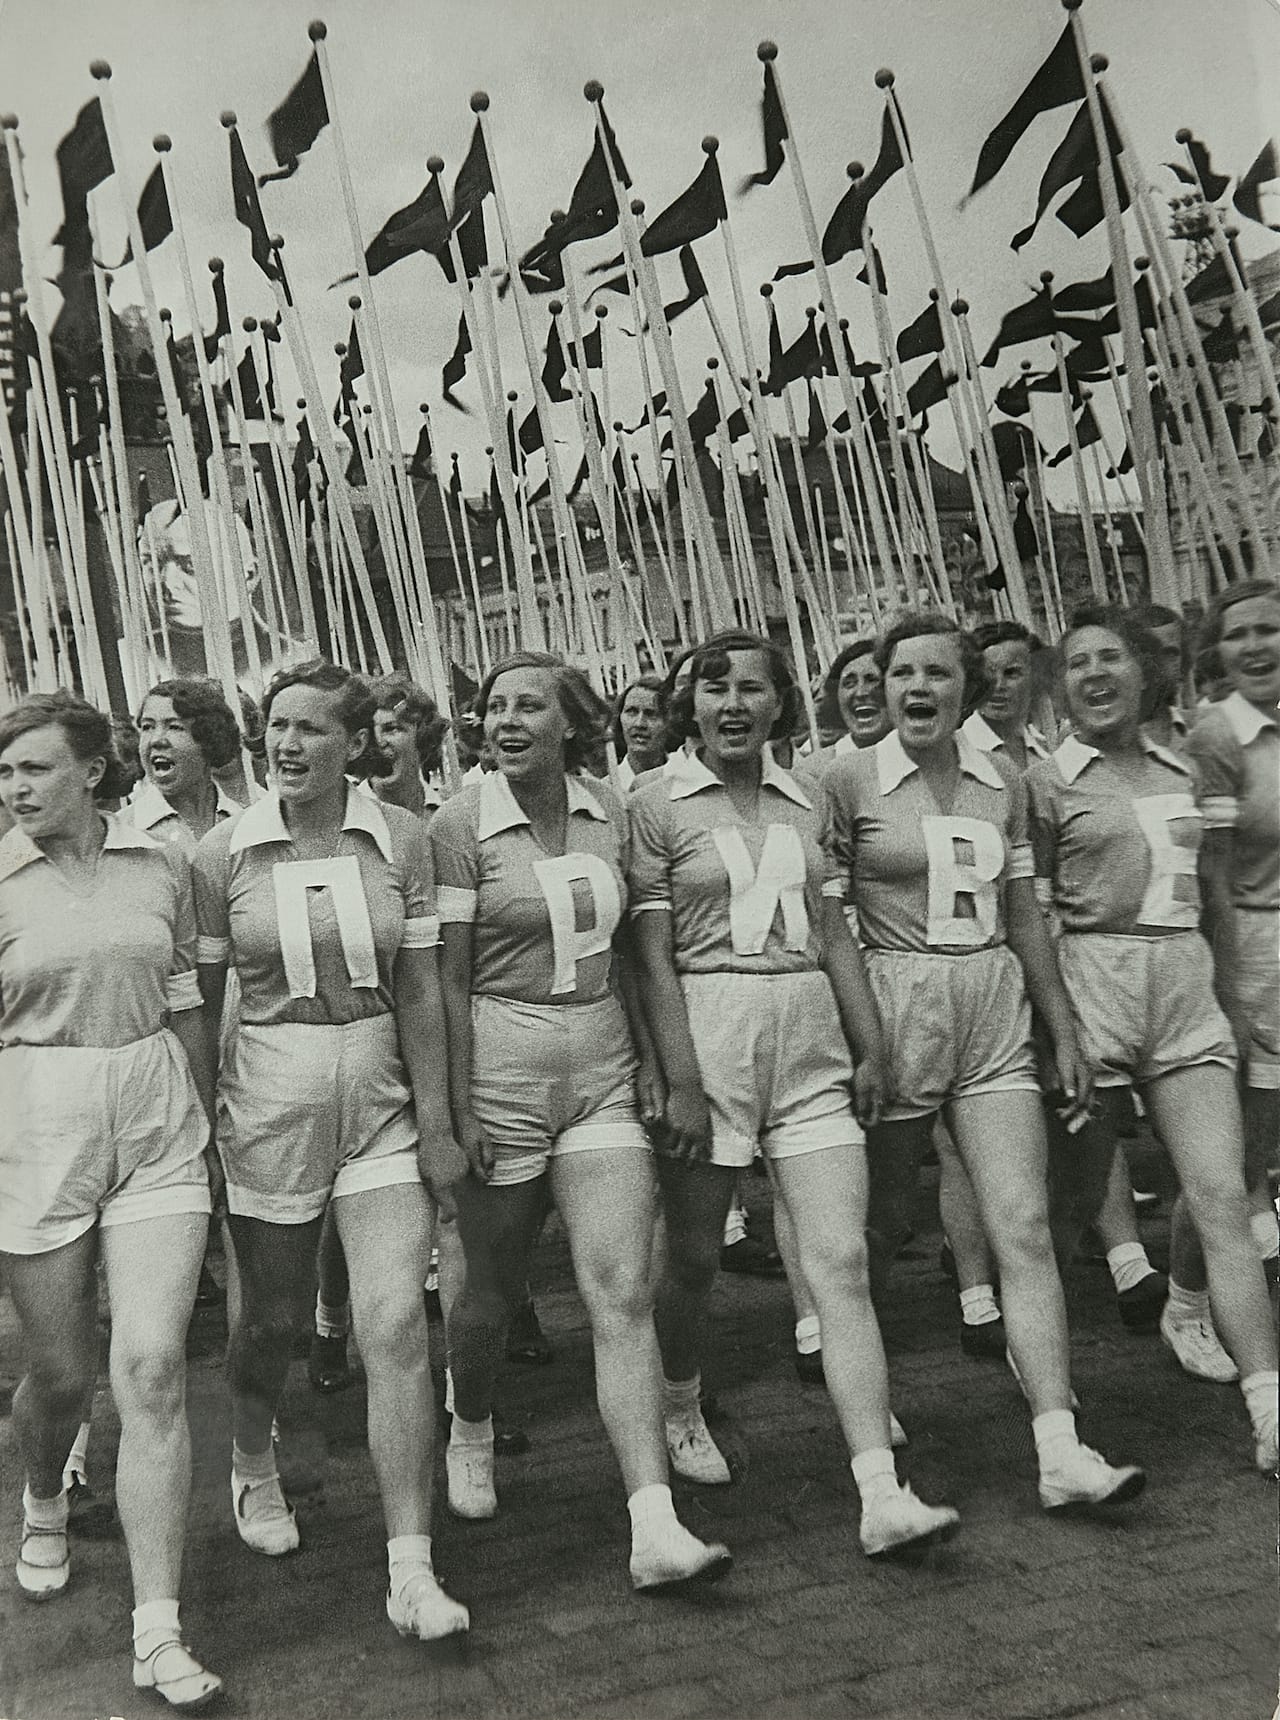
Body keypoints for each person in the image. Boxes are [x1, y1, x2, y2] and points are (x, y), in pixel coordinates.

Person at [628, 630, 959, 1556]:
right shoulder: (654, 804)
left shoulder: (808, 794)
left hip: (808, 1029)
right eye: (714, 689)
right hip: (710, 1025)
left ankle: (879, 1489)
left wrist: (868, 1043)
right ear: (689, 704)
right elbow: (649, 955)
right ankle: (679, 1402)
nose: (733, 705)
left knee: (839, 1261)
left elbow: (834, 927)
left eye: (754, 690)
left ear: (782, 703)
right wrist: (682, 1079)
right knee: (692, 1259)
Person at [826, 610, 1146, 1512]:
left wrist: (1066, 1030)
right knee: (876, 1230)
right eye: (901, 675)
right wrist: (866, 1041)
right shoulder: (847, 780)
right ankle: (867, 1395)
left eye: (937, 673)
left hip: (992, 1005)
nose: (918, 689)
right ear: (880, 688)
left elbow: (1025, 917)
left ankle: (1059, 1442)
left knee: (1025, 1224)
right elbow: (830, 927)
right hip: (897, 1004)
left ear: (968, 687)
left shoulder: (999, 778)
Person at [428, 650, 730, 1593]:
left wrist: (659, 1067)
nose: (505, 719)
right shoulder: (458, 824)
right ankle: (469, 1423)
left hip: (599, 1062)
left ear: (572, 722)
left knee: (619, 1288)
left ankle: (653, 1519)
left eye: (527, 705)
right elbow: (443, 979)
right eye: (492, 707)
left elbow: (638, 955)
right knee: (489, 1286)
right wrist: (457, 1102)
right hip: (502, 1062)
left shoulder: (614, 812)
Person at [191, 660, 469, 1643]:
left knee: (393, 1326)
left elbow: (427, 988)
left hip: (385, 1100)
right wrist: (201, 1127)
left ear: (356, 742)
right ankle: (253, 1460)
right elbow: (209, 1005)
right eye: (276, 726)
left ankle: (410, 1568)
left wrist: (437, 1122)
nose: (289, 744)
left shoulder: (403, 837)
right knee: (266, 1325)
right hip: (270, 1096)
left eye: (311, 728)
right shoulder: (224, 851)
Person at [0, 691, 221, 1709]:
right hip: (35, 1120)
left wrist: (203, 1114)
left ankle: (157, 1628)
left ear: (92, 771)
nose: (15, 788)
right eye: (5, 774)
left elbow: (186, 1001)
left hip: (154, 1119)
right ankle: (44, 1498)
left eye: (34, 768)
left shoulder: (160, 864)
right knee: (61, 1373)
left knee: (152, 1367)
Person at [1027, 606, 1277, 1474]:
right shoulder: (1045, 781)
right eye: (1077, 663)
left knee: (1221, 1198)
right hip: (1091, 984)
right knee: (1067, 1209)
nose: (1095, 675)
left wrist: (1232, 1006)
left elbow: (1215, 897)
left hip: (1182, 986)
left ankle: (1269, 1408)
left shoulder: (1185, 765)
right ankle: (1049, 1397)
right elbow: (1030, 914)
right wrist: (1057, 1027)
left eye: (1112, 660)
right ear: (1058, 687)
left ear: (1145, 673)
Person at [307, 670, 451, 1393]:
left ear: (421, 737)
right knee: (348, 1206)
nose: (389, 740)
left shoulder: (442, 822)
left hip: (429, 1024)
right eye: (380, 727)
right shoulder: (334, 823)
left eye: (403, 726)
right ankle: (332, 1319)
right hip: (362, 1035)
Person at [1162, 580, 1280, 1384]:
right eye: (1239, 635)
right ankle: (1186, 1299)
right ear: (1218, 651)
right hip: (1255, 945)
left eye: (1271, 630)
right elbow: (1210, 875)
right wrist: (1229, 990)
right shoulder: (1216, 735)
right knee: (1241, 1153)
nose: (1257, 647)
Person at [613, 676, 669, 790]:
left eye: (651, 714)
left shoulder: (684, 778)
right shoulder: (608, 789)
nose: (639, 723)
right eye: (631, 712)